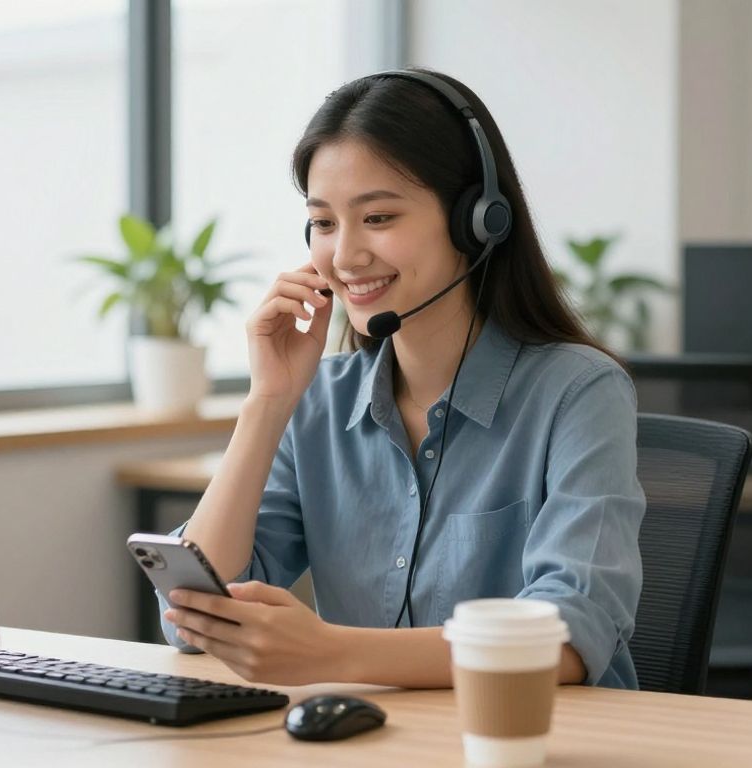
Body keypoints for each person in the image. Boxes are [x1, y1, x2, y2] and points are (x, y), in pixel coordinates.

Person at [158, 68, 645, 690]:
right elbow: (194, 615)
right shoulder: (318, 401)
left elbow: (570, 634)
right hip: (380, 741)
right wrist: (268, 402)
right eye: (325, 223)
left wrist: (331, 653)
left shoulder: (579, 391)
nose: (345, 255)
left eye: (379, 217)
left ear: (478, 220)